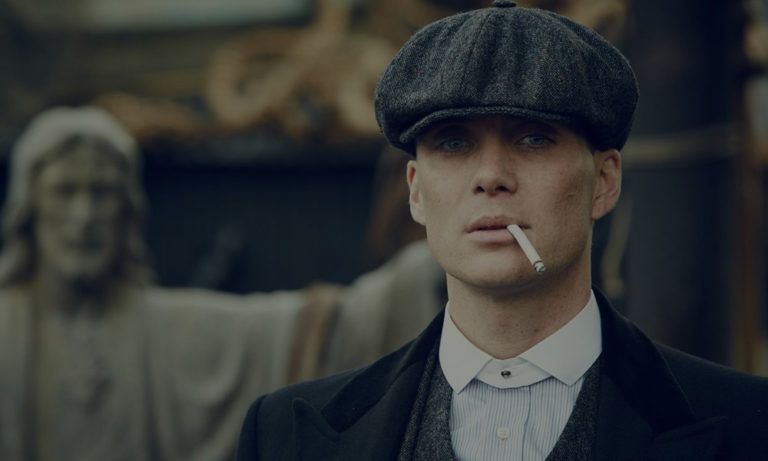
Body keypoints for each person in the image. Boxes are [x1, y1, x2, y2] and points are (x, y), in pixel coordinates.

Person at [236, 1, 768, 460]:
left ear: (604, 182)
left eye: (534, 139)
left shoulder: (749, 423)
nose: (490, 176)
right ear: (416, 191)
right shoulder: (286, 436)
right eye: (454, 143)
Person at [0, 107, 305, 461]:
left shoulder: (170, 329)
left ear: (127, 210)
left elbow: (303, 328)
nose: (84, 216)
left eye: (102, 191)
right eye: (64, 191)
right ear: (29, 206)